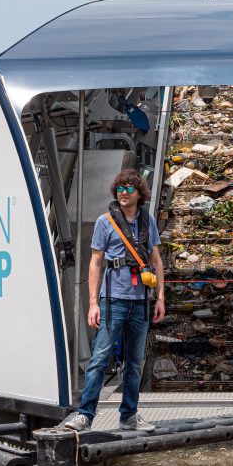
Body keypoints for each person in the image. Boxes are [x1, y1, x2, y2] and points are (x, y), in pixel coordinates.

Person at [64, 169, 165, 432]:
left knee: (134, 362)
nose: (123, 193)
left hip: (140, 301)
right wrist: (93, 303)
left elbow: (156, 260)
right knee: (99, 357)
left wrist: (160, 298)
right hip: (113, 300)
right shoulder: (105, 221)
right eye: (120, 188)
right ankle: (85, 415)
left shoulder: (147, 221)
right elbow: (95, 262)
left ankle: (129, 415)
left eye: (129, 188)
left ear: (140, 193)